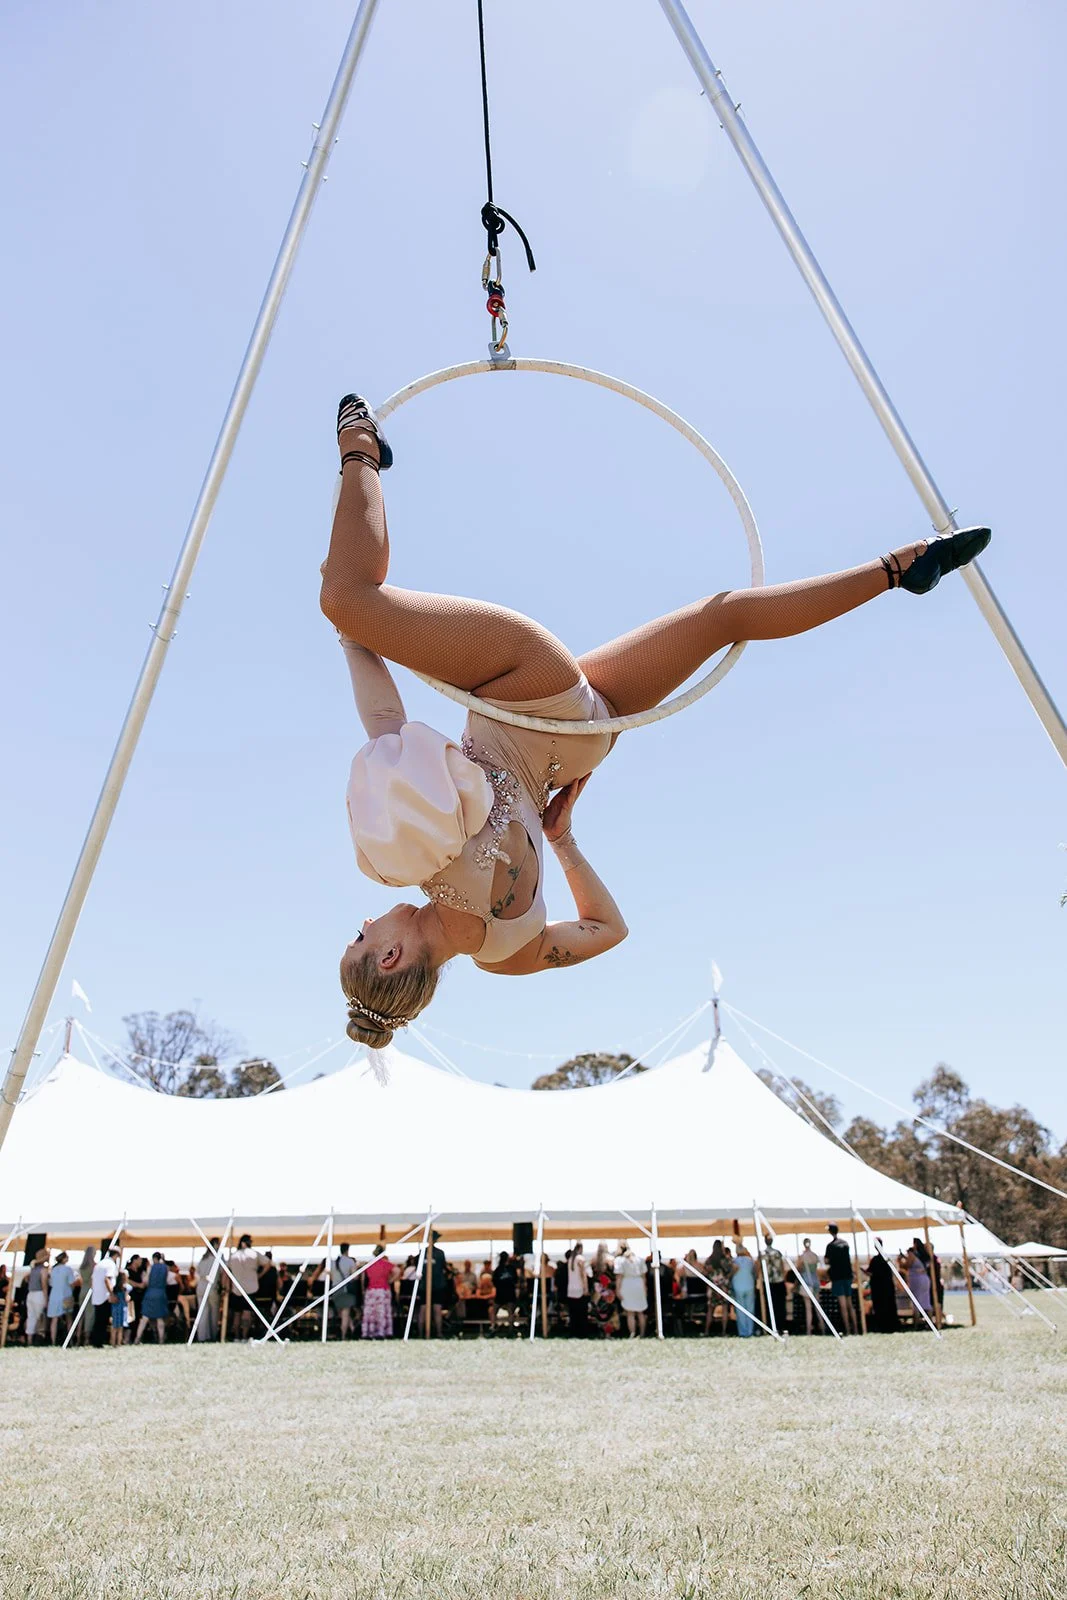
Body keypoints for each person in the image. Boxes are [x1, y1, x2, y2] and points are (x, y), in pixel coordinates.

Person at [321, 393, 991, 1046]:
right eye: (361, 937)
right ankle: (360, 446)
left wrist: (561, 839)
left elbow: (607, 930)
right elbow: (385, 725)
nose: (364, 923)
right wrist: (354, 636)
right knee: (346, 597)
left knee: (724, 616)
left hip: (586, 739)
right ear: (389, 959)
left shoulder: (510, 954)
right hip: (529, 693)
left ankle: (900, 569)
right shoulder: (412, 861)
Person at [228, 1235, 263, 1340]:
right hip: (250, 1289)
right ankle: (244, 1336)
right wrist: (259, 1275)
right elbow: (268, 1263)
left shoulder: (233, 1256)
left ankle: (237, 1337)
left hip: (236, 1289)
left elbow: (227, 1270)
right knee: (246, 1314)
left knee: (237, 1314)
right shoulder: (254, 1254)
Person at [825, 1225, 857, 1334]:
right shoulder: (845, 1244)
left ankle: (847, 1329)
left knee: (843, 1306)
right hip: (847, 1276)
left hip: (837, 1277)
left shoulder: (830, 1246)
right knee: (850, 1304)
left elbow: (826, 1261)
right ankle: (856, 1329)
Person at [134, 1252, 169, 1344]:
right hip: (161, 1293)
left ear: (154, 1258)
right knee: (160, 1318)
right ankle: (161, 1339)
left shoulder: (151, 1268)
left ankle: (137, 1338)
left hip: (150, 1293)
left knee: (144, 1318)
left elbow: (145, 1281)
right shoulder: (166, 1268)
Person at [614, 1243, 647, 1338]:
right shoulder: (640, 1259)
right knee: (640, 1311)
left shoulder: (620, 1260)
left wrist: (618, 1290)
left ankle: (632, 1333)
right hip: (639, 1284)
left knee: (630, 1313)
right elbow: (644, 1277)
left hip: (627, 1284)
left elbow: (619, 1277)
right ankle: (642, 1334)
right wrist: (644, 1289)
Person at [46, 1251, 79, 1345]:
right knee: (68, 1318)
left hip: (54, 1296)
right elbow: (72, 1282)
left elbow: (51, 1283)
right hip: (66, 1295)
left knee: (54, 1319)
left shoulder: (53, 1270)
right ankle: (70, 1340)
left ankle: (53, 1341)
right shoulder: (68, 1269)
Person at [361, 1245, 394, 1339]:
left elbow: (363, 1279)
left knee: (370, 1312)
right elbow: (397, 1270)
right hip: (383, 1290)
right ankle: (382, 1332)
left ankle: (368, 1332)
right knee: (383, 1312)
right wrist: (390, 1280)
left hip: (371, 1290)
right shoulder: (386, 1264)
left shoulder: (369, 1264)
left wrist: (363, 1290)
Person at [867, 1241, 899, 1333]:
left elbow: (871, 1272)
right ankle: (892, 1326)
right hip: (888, 1287)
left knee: (880, 1307)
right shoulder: (887, 1258)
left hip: (879, 1288)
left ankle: (883, 1326)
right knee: (889, 1306)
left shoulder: (875, 1260)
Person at [90, 1248, 119, 1348]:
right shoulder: (110, 1264)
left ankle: (95, 1340)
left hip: (97, 1295)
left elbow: (92, 1279)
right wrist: (112, 1294)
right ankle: (99, 1341)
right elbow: (107, 1279)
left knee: (98, 1320)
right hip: (104, 1296)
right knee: (103, 1320)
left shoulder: (100, 1264)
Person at [730, 1233, 757, 1338]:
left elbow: (732, 1273)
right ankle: (750, 1331)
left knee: (740, 1310)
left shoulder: (734, 1262)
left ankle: (743, 1332)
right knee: (750, 1309)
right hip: (749, 1285)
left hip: (738, 1287)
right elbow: (754, 1271)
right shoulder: (750, 1261)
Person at [194, 1239, 221, 1341]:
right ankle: (213, 1335)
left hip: (201, 1286)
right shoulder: (218, 1257)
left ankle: (202, 1336)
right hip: (212, 1287)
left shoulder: (203, 1258)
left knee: (203, 1312)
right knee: (214, 1313)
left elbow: (198, 1272)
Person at [331, 1243, 359, 1338]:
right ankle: (343, 1335)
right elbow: (355, 1277)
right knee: (345, 1313)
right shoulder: (350, 1261)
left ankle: (352, 1329)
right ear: (348, 1250)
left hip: (335, 1289)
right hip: (346, 1289)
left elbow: (331, 1276)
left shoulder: (333, 1262)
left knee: (342, 1313)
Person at [796, 1237, 822, 1335]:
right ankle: (823, 1327)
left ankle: (808, 1331)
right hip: (815, 1281)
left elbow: (799, 1269)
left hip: (807, 1282)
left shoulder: (802, 1256)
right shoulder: (815, 1256)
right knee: (818, 1307)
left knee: (808, 1308)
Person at [762, 1233, 788, 1334]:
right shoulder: (777, 1253)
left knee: (770, 1306)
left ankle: (771, 1326)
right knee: (780, 1306)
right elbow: (782, 1268)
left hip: (768, 1283)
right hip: (779, 1281)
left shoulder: (763, 1254)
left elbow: (759, 1268)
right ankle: (780, 1326)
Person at [25, 1250, 49, 1344]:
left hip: (30, 1294)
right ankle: (39, 1339)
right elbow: (44, 1285)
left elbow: (27, 1279)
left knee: (31, 1317)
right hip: (39, 1294)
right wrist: (46, 1298)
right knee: (40, 1317)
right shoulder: (43, 1270)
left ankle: (29, 1340)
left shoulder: (33, 1269)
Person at [566, 1242, 589, 1338]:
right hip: (579, 1289)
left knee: (573, 1313)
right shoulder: (580, 1259)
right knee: (582, 1313)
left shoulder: (571, 1259)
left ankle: (573, 1331)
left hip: (571, 1289)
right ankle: (582, 1333)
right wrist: (586, 1288)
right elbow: (583, 1275)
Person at [905, 1240, 933, 1318]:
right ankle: (929, 1321)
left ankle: (916, 1323)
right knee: (926, 1301)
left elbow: (908, 1265)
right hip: (925, 1279)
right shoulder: (925, 1256)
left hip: (916, 1279)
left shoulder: (912, 1255)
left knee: (916, 1301)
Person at [110, 1270, 132, 1346]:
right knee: (120, 1327)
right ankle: (118, 1343)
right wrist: (129, 1297)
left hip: (115, 1308)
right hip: (122, 1308)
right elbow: (126, 1298)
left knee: (114, 1327)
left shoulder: (115, 1288)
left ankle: (113, 1342)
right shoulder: (126, 1288)